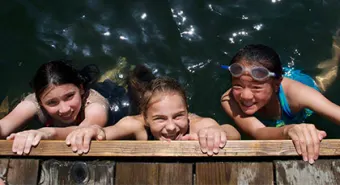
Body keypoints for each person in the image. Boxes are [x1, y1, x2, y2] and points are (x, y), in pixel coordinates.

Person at [220, 44, 340, 164]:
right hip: (275, 81)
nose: (245, 95)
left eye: (256, 88)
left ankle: (336, 51)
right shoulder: (229, 100)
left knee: (325, 77)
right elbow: (257, 131)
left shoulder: (298, 94)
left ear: (277, 84)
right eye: (238, 85)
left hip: (301, 84)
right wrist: (288, 130)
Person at [66, 77, 240, 156]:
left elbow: (232, 132)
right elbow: (105, 132)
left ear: (187, 111)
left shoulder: (198, 125)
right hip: (128, 107)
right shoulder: (136, 125)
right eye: (160, 119)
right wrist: (92, 130)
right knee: (134, 90)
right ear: (146, 119)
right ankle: (127, 78)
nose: (171, 127)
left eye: (179, 116)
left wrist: (216, 133)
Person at [0, 60, 126, 155]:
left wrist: (46, 132)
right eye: (52, 102)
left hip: (109, 96)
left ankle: (119, 68)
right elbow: (4, 126)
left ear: (81, 89)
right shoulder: (33, 103)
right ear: (40, 101)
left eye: (69, 96)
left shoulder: (95, 105)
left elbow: (84, 130)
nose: (64, 109)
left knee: (112, 83)